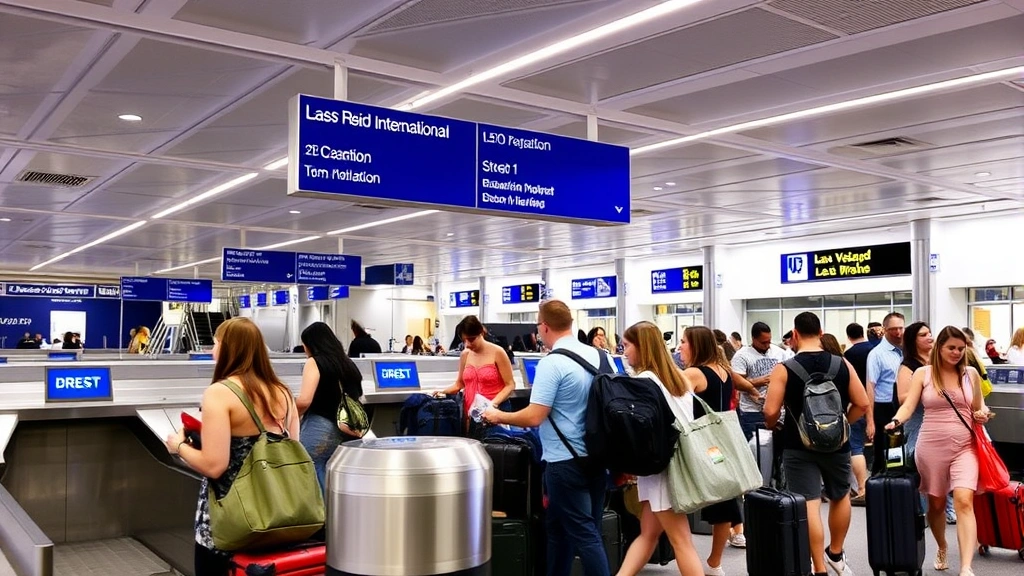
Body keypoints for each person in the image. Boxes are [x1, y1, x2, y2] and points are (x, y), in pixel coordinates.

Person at [163, 317, 300, 576]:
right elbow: (292, 449)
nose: (212, 350)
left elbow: (215, 466)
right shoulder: (283, 393)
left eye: (215, 343)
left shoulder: (220, 393)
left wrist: (178, 445)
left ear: (228, 348)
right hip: (278, 514)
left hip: (228, 520)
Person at [482, 300, 610, 576]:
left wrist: (497, 415)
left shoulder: (552, 364)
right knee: (561, 528)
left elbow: (534, 416)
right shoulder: (601, 357)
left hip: (565, 461)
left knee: (584, 533)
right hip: (599, 457)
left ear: (543, 326)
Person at [765, 312, 868, 576]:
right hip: (837, 445)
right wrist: (844, 423)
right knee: (841, 494)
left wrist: (773, 424)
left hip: (798, 445)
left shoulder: (784, 368)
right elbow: (863, 403)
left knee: (810, 502)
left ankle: (819, 568)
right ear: (821, 333)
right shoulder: (842, 363)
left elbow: (769, 411)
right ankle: (835, 553)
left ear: (795, 334)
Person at [886, 326, 990, 576]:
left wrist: (982, 414)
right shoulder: (923, 373)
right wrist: (895, 422)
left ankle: (966, 566)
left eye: (960, 348)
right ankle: (942, 545)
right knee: (936, 504)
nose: (956, 352)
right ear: (940, 348)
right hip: (930, 447)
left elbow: (980, 406)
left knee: (964, 500)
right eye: (951, 348)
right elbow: (908, 405)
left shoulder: (971, 374)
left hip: (966, 446)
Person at [616, 322, 704, 576]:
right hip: (676, 464)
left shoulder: (644, 381)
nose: (625, 353)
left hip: (661, 470)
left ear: (642, 347)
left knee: (681, 541)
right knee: (648, 534)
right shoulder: (677, 377)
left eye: (627, 346)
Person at [680, 326, 746, 573]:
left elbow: (673, 400)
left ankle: (711, 563)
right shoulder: (723, 371)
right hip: (721, 442)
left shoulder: (695, 373)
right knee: (724, 499)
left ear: (695, 345)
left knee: (714, 501)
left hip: (702, 444)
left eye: (684, 341)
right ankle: (714, 562)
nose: (680, 346)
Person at [295, 322, 363, 495]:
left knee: (309, 467)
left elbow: (304, 400)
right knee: (332, 471)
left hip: (322, 426)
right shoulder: (348, 364)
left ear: (311, 344)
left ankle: (322, 518)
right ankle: (337, 517)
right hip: (347, 429)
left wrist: (288, 416)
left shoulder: (315, 362)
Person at [438, 316, 515, 431]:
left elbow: (510, 385)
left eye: (471, 339)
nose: (467, 344)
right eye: (464, 340)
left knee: (494, 447)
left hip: (495, 412)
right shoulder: (465, 355)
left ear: (481, 333)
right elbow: (459, 384)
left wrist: (493, 404)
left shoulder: (497, 352)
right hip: (471, 413)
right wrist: (441, 392)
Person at [731, 322, 788, 440]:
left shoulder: (779, 353)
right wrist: (757, 382)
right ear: (753, 339)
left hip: (777, 411)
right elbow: (737, 382)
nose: (767, 345)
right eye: (763, 342)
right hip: (752, 411)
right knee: (756, 450)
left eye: (769, 341)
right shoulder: (741, 356)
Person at [866, 312, 905, 474]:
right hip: (884, 408)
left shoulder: (906, 351)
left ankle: (897, 484)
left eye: (901, 328)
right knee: (887, 454)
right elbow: (870, 386)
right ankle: (883, 487)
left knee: (901, 454)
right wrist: (870, 421)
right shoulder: (876, 354)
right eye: (893, 329)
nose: (898, 332)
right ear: (885, 330)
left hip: (904, 407)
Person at [843, 323, 874, 503]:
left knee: (856, 447)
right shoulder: (874, 350)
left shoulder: (849, 355)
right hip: (877, 403)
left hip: (856, 404)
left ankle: (862, 487)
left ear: (848, 336)